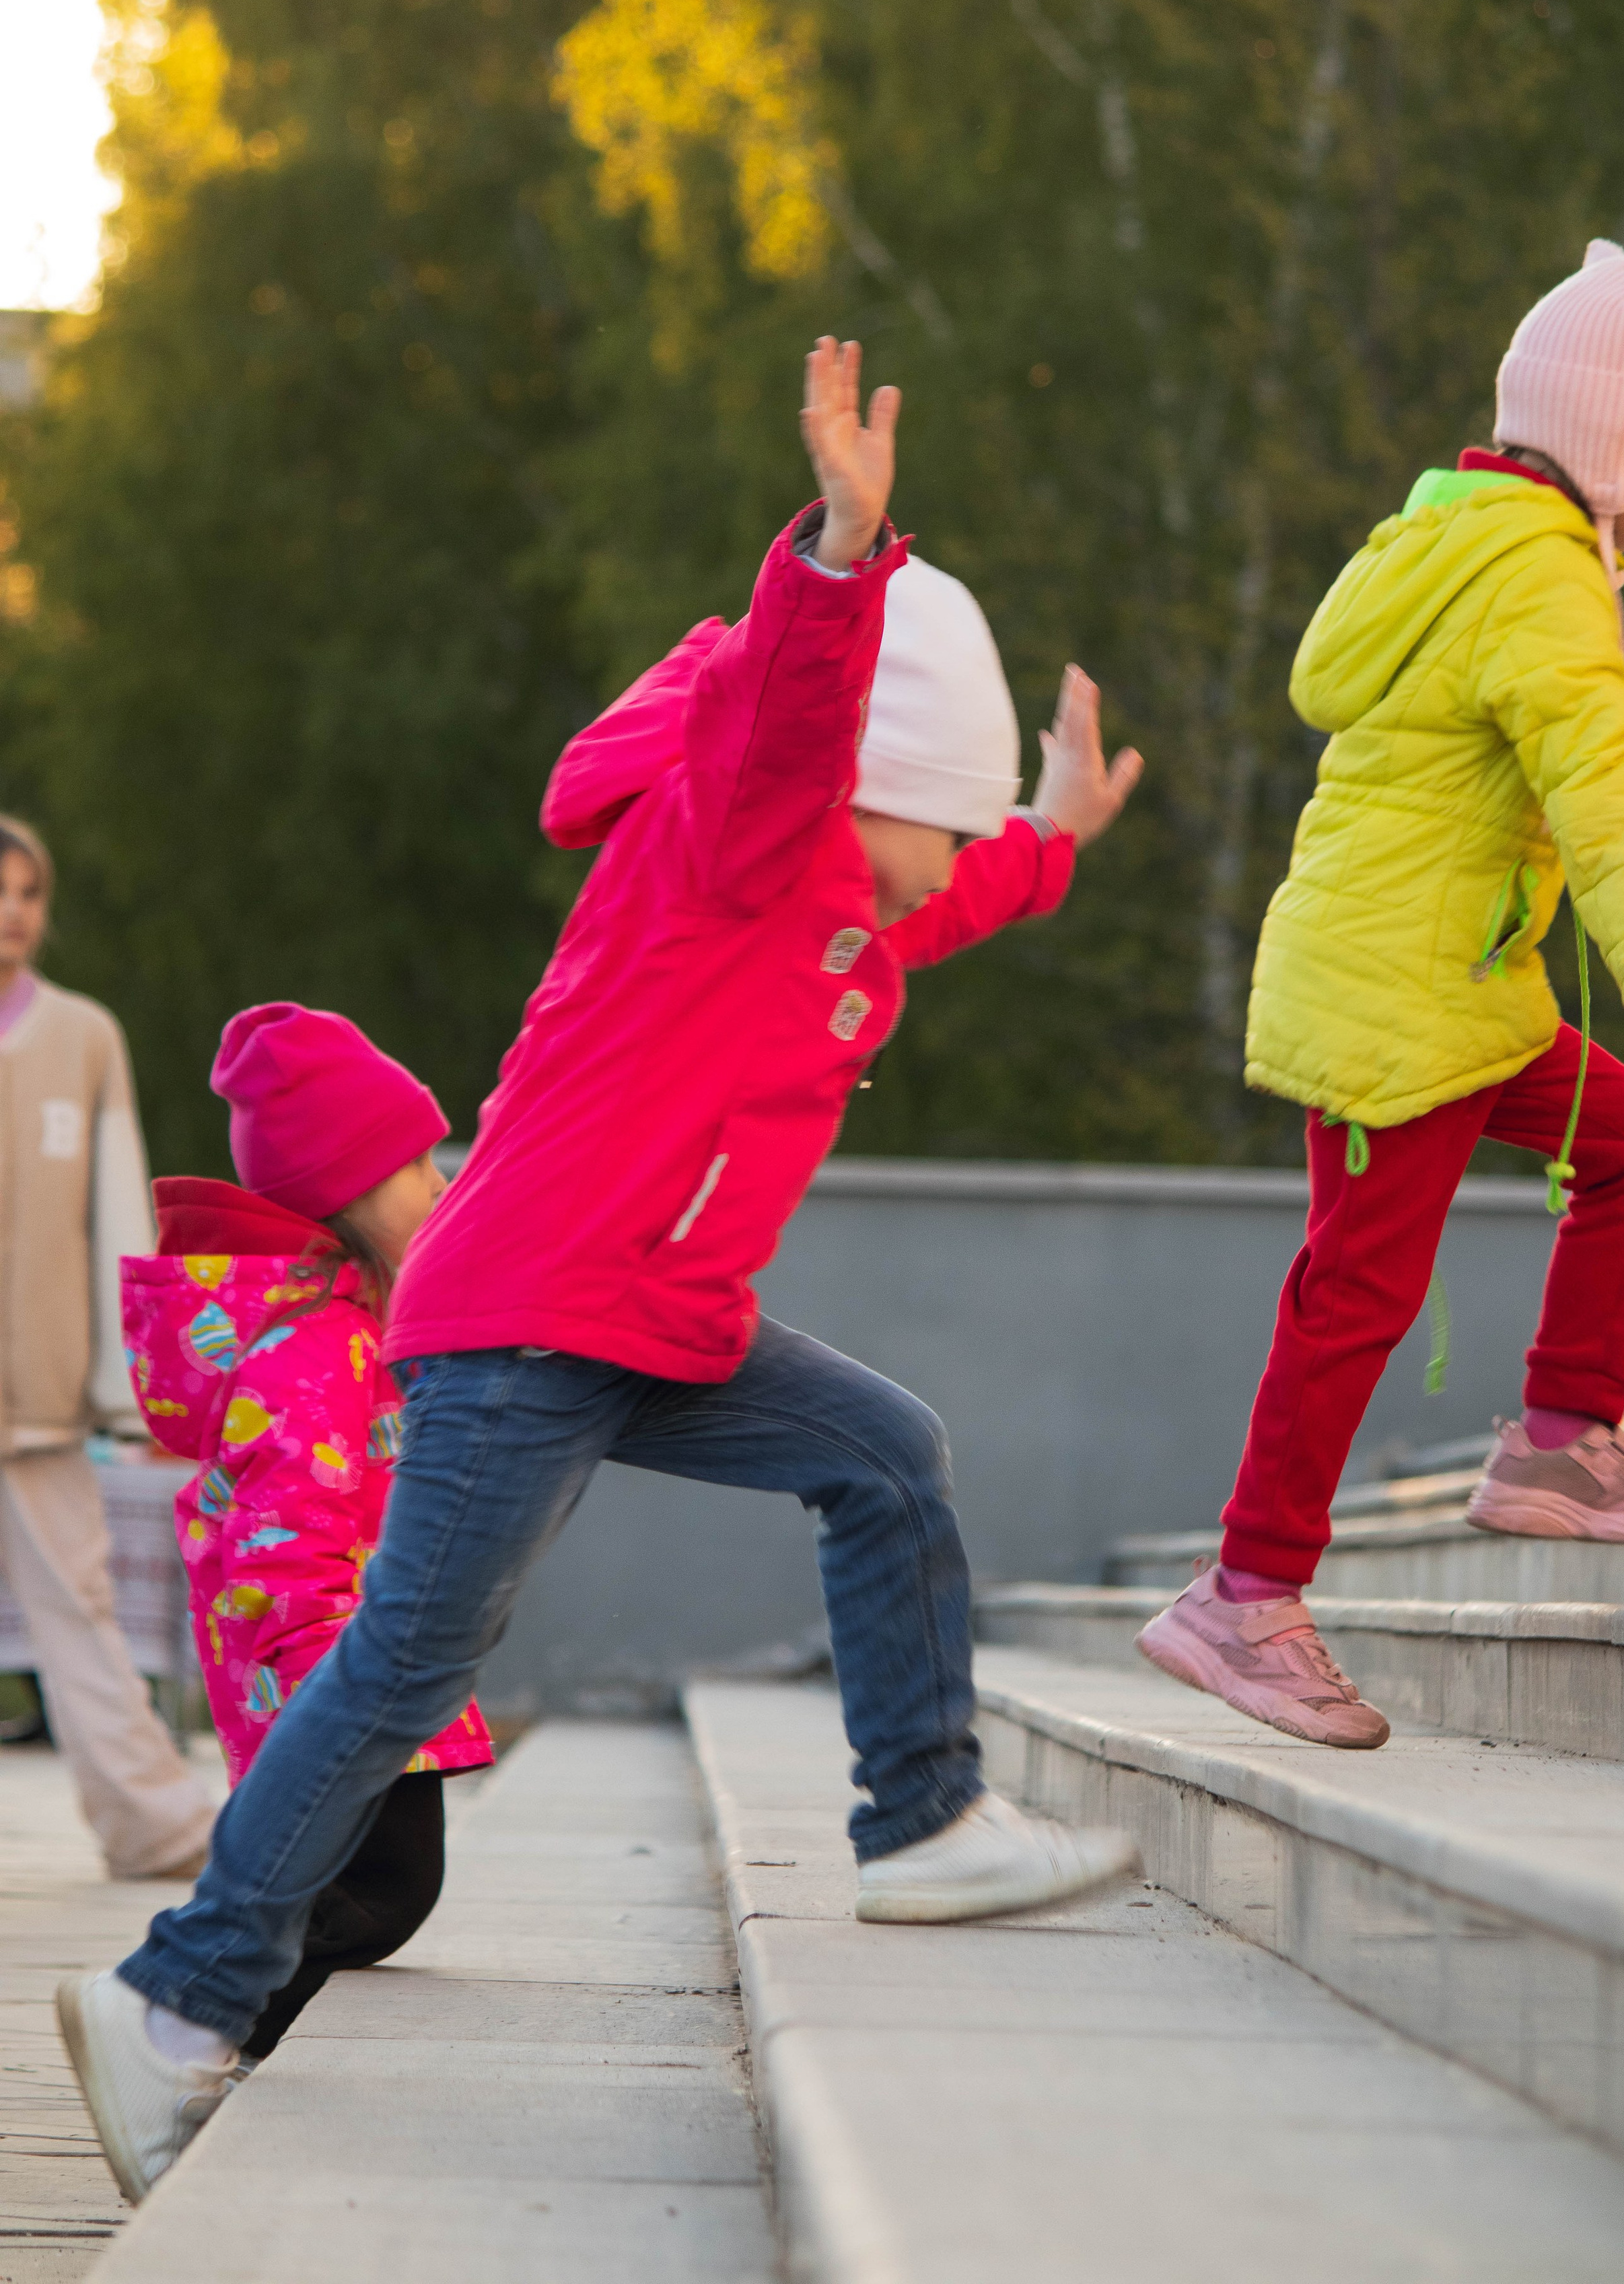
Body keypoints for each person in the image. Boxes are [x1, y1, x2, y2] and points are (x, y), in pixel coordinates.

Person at [59, 337, 1145, 2201]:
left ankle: (924, 1817)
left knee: (884, 1455)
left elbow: (944, 897)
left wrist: (1043, 838)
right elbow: (795, 718)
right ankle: (177, 1995)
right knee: (412, 1650)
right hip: (535, 1302)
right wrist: (835, 553)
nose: (945, 862)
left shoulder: (854, 906)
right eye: (944, 818)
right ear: (868, 772)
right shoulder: (739, 839)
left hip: (650, 1311)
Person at [1139, 238, 1624, 1751]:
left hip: (1458, 986)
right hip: (1392, 994)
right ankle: (1241, 1596)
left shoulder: (1445, 540)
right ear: (1614, 451)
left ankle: (1554, 1443)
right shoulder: (1536, 574)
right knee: (1356, 1293)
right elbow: (1595, 767)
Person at [120, 1003, 493, 2066]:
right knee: (382, 1895)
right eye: (421, 1167)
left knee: (373, 1896)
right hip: (332, 1680)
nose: (443, 1185)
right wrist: (333, 1695)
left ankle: (217, 2028)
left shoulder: (358, 1316)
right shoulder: (312, 1351)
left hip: (357, 1674)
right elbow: (285, 1544)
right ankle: (183, 2014)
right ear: (347, 1192)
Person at [0, 813, 214, 1874]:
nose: (12, 913)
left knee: (79, 1611)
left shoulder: (86, 1037)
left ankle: (158, 1826)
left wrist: (125, 1376)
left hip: (39, 1390)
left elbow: (118, 1210)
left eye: (28, 893)